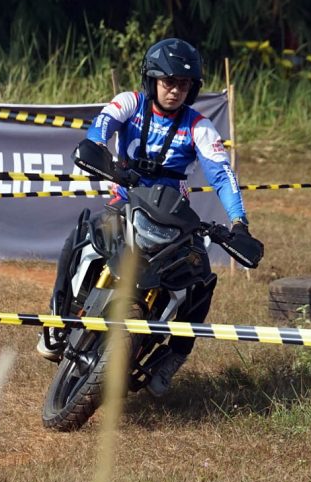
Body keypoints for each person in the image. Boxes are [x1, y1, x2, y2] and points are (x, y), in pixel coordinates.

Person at [37, 37, 262, 397]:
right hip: (124, 200)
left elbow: (222, 175)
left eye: (183, 84)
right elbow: (102, 127)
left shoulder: (200, 127)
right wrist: (97, 148)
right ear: (152, 80)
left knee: (200, 280)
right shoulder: (131, 103)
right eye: (168, 82)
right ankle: (54, 320)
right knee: (83, 236)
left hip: (172, 215)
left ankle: (171, 358)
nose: (175, 90)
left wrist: (239, 224)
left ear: (193, 88)